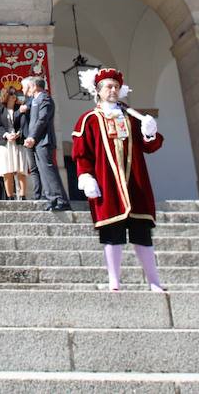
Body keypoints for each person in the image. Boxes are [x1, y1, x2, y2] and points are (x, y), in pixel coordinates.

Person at [71, 67, 166, 292]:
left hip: (135, 182)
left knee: (142, 232)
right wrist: (85, 176)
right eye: (108, 86)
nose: (113, 90)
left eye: (116, 86)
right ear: (98, 91)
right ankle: (114, 281)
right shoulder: (89, 120)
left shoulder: (132, 117)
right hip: (108, 183)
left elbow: (150, 147)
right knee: (112, 232)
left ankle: (153, 281)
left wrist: (150, 133)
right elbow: (82, 152)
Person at [23, 76, 70, 211]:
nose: (25, 89)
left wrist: (32, 136)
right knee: (44, 171)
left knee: (49, 171)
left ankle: (61, 200)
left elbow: (42, 120)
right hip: (38, 141)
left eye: (27, 86)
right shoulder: (36, 100)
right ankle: (52, 199)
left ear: (34, 86)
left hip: (44, 141)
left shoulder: (45, 98)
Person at [0, 89, 32, 200]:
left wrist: (18, 133)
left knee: (21, 169)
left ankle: (23, 196)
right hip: (5, 142)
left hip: (18, 141)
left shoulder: (19, 109)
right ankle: (10, 197)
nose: (14, 96)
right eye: (11, 94)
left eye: (15, 94)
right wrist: (7, 135)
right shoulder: (0, 111)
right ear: (6, 96)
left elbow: (23, 124)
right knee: (7, 171)